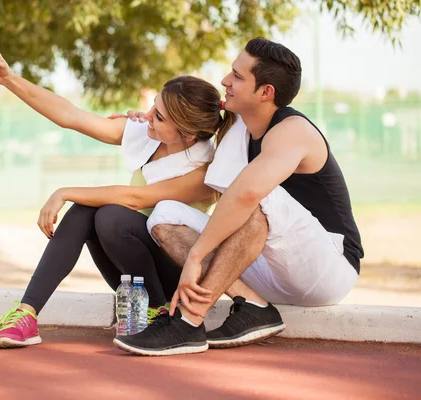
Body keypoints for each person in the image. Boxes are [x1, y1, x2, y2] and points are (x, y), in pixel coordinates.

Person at [113, 37, 364, 356]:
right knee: (164, 214)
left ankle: (187, 324)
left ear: (266, 92)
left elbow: (246, 194)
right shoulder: (238, 127)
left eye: (237, 76)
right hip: (268, 265)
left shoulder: (293, 130)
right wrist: (148, 117)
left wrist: (195, 257)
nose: (224, 81)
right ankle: (253, 306)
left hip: (326, 268)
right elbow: (191, 121)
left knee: (258, 197)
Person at [0, 45, 239, 348]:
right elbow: (70, 115)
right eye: (153, 106)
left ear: (187, 134)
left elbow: (134, 198)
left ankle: (157, 311)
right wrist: (9, 79)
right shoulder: (149, 133)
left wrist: (63, 191)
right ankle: (27, 314)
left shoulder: (203, 171)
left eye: (159, 116)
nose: (147, 116)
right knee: (84, 211)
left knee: (110, 215)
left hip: (176, 278)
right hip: (133, 275)